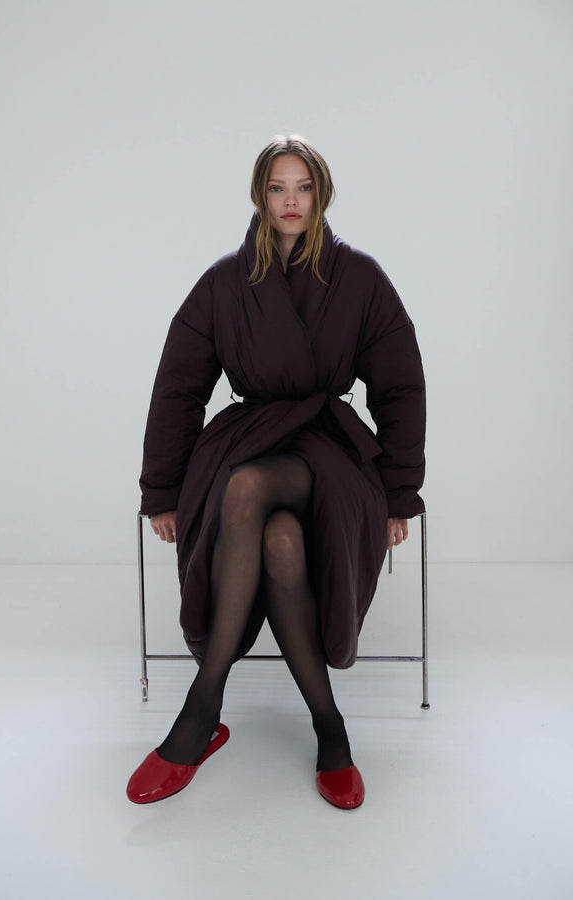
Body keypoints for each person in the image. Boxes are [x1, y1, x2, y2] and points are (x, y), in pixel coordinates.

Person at [126, 134, 426, 810]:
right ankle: (330, 727)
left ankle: (201, 712)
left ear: (322, 194)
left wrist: (399, 492)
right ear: (260, 196)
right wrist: (162, 490)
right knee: (279, 539)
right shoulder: (223, 284)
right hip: (248, 435)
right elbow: (178, 389)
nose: (291, 201)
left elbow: (400, 388)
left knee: (247, 486)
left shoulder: (362, 279)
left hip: (331, 452)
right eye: (277, 187)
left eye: (304, 187)